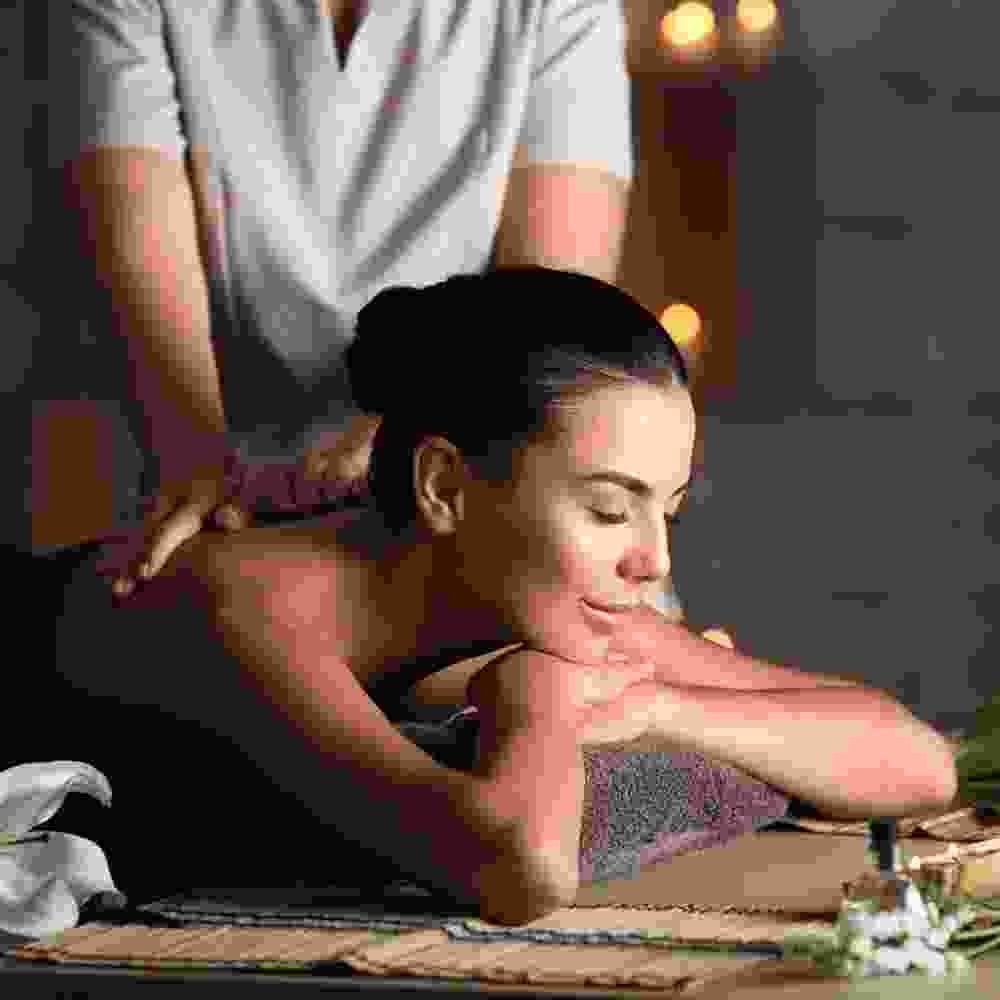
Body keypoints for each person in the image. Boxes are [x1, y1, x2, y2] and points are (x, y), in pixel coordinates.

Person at [53, 269, 958, 926]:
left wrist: (660, 706)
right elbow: (518, 868)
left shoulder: (531, 593)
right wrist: (543, 698)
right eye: (609, 510)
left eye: (669, 510)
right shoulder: (248, 603)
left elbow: (917, 763)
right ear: (446, 487)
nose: (652, 560)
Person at [39, 0, 635, 591]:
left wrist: (418, 431)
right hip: (194, 495)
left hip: (462, 473)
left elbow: (549, 320)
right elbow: (137, 234)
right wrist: (198, 463)